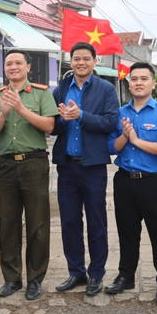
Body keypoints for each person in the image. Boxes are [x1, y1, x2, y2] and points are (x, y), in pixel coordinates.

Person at [0, 50, 58, 301]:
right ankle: (12, 278)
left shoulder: (41, 93)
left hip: (34, 163)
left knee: (38, 223)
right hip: (6, 165)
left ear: (28, 67)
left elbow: (49, 126)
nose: (13, 67)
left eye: (18, 63)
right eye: (8, 63)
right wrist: (5, 112)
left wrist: (20, 108)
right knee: (7, 223)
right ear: (4, 69)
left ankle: (35, 279)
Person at [52, 42, 118, 297]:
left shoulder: (106, 89)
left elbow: (110, 122)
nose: (81, 63)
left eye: (86, 59)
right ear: (71, 61)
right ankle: (76, 272)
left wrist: (80, 115)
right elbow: (53, 125)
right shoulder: (62, 88)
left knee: (96, 220)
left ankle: (97, 274)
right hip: (67, 166)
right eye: (76, 59)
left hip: (93, 166)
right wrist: (62, 120)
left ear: (94, 61)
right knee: (69, 221)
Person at [106, 63, 157, 302]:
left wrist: (135, 139)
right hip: (125, 180)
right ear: (128, 83)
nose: (138, 82)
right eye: (134, 78)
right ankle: (126, 276)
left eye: (144, 78)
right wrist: (125, 137)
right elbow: (111, 148)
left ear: (153, 83)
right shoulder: (120, 113)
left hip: (152, 183)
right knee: (127, 231)